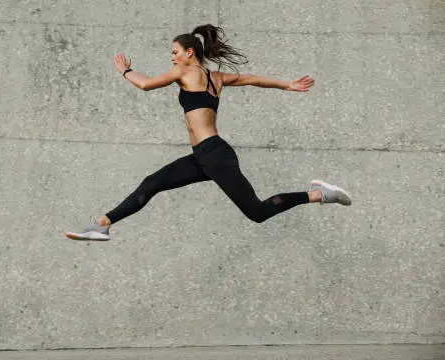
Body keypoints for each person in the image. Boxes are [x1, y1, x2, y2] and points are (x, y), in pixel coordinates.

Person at [65, 24, 351, 241]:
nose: (173, 58)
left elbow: (146, 84)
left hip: (214, 155)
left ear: (189, 53)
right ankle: (102, 224)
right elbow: (251, 79)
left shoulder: (186, 73)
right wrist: (285, 84)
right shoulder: (216, 78)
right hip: (204, 155)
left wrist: (126, 71)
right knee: (152, 182)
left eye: (175, 53)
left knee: (258, 212)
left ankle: (320, 195)